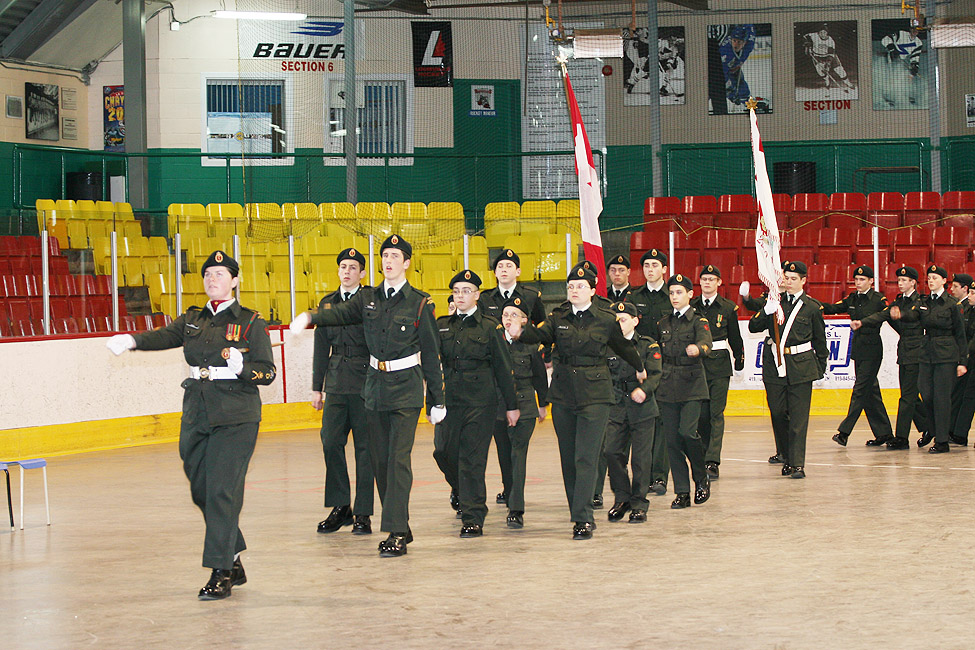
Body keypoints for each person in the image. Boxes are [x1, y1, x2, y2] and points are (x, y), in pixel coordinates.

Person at [107, 250, 276, 600]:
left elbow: (268, 372)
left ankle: (221, 571)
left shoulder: (250, 321)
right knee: (201, 489)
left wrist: (243, 368)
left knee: (221, 491)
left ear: (234, 280)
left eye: (220, 274)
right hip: (197, 411)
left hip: (236, 415)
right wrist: (133, 341)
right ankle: (232, 550)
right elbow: (165, 336)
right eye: (208, 274)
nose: (213, 279)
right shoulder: (193, 319)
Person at [289, 234, 445, 557]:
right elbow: (339, 314)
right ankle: (399, 520)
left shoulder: (418, 302)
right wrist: (311, 318)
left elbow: (431, 355)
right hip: (374, 388)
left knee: (398, 460)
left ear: (407, 263)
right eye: (385, 255)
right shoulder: (369, 298)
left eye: (395, 256)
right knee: (380, 461)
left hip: (406, 390)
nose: (388, 261)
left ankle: (397, 532)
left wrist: (437, 399)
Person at [508, 265, 647, 540]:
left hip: (595, 395)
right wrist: (520, 332)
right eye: (570, 286)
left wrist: (640, 367)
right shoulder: (557, 316)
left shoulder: (606, 319)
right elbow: (541, 335)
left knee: (586, 457)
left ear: (593, 290)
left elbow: (624, 346)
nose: (574, 290)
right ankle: (578, 510)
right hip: (563, 394)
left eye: (580, 286)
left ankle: (582, 519)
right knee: (569, 458)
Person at [432, 270, 519, 538]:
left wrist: (511, 405)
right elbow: (432, 367)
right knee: (443, 451)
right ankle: (460, 489)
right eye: (456, 291)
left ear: (477, 295)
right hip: (450, 402)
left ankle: (473, 515)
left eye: (466, 291)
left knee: (472, 459)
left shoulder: (489, 327)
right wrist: (432, 403)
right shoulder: (443, 325)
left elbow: (504, 368)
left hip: (480, 402)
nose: (461, 296)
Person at [311, 248, 375, 536]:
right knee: (330, 442)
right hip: (336, 382)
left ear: (362, 273)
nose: (347, 271)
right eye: (343, 267)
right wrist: (317, 387)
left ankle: (362, 512)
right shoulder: (327, 305)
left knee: (366, 449)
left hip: (365, 383)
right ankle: (340, 506)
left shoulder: (372, 301)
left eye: (353, 267)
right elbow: (321, 348)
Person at [748, 261, 828, 479]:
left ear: (803, 281)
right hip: (774, 365)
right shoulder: (774, 302)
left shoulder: (812, 307)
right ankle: (784, 452)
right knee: (777, 412)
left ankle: (796, 463)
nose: (789, 282)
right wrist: (766, 310)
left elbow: (820, 341)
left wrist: (820, 368)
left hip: (801, 366)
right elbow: (753, 327)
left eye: (794, 278)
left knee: (798, 418)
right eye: (786, 277)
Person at [478, 248, 545, 507]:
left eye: (509, 265)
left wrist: (542, 402)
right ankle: (510, 489)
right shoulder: (485, 299)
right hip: (495, 394)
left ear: (518, 271)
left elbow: (541, 330)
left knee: (517, 451)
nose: (504, 269)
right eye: (499, 266)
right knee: (504, 451)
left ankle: (515, 502)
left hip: (524, 389)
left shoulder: (530, 296)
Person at [895, 265, 968, 453]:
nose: (931, 280)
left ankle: (942, 441)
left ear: (944, 281)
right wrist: (901, 314)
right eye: (929, 277)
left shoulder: (952, 304)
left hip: (946, 354)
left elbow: (960, 334)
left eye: (935, 277)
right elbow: (914, 316)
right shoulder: (924, 301)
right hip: (926, 353)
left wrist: (962, 362)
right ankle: (933, 430)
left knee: (942, 398)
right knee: (926, 394)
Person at [656, 274, 713, 508]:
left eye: (679, 292)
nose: (674, 297)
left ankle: (700, 477)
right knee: (672, 441)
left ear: (690, 294)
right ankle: (682, 492)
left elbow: (706, 343)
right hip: (667, 385)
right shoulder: (663, 323)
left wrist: (698, 349)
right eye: (671, 293)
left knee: (688, 433)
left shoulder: (698, 321)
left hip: (691, 385)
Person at [855, 266, 929, 449]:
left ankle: (902, 438)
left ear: (913, 282)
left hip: (917, 351)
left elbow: (914, 315)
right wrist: (863, 322)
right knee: (910, 395)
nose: (900, 283)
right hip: (904, 351)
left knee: (906, 397)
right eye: (899, 281)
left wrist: (901, 314)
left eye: (904, 280)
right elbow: (883, 315)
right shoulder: (899, 301)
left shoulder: (920, 301)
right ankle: (930, 427)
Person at [822, 265, 893, 447]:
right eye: (856, 280)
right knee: (870, 392)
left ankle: (844, 432)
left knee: (860, 389)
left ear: (871, 281)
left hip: (872, 349)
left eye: (862, 280)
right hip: (859, 349)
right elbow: (833, 307)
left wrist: (863, 322)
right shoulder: (852, 298)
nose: (858, 283)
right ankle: (884, 433)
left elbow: (884, 314)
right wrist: (813, 304)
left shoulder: (878, 299)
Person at [605, 302, 662, 522]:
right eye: (616, 320)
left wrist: (644, 390)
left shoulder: (648, 346)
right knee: (611, 452)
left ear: (635, 321)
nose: (619, 323)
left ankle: (639, 503)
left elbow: (655, 374)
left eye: (623, 319)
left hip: (642, 408)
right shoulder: (607, 346)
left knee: (640, 459)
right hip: (617, 406)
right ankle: (622, 498)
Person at [498, 296, 550, 529]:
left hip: (526, 403)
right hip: (498, 406)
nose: (509, 319)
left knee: (518, 454)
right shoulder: (494, 341)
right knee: (504, 456)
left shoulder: (531, 345)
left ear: (525, 320)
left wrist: (542, 404)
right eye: (505, 315)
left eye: (514, 315)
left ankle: (516, 508)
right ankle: (510, 495)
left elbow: (540, 375)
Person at [690, 265, 744, 479]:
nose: (707, 283)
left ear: (719, 283)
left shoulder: (728, 307)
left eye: (712, 279)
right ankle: (702, 456)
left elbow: (735, 338)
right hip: (697, 366)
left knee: (715, 414)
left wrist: (739, 359)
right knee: (701, 415)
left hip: (720, 366)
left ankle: (712, 461)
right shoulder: (692, 307)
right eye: (704, 279)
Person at [626, 248, 671, 495]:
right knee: (641, 423)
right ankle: (640, 476)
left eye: (655, 265)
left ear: (664, 269)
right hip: (639, 367)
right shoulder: (634, 297)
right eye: (646, 265)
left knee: (662, 423)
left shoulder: (671, 296)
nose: (650, 269)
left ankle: (659, 477)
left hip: (665, 367)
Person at [947, 274, 975, 445]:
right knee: (967, 396)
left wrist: (965, 353)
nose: (970, 296)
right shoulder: (970, 310)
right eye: (970, 292)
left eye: (973, 293)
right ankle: (959, 433)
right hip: (969, 358)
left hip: (969, 356)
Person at [803, 23, 854, 96]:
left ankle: (847, 83)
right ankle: (827, 81)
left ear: (827, 33)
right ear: (818, 33)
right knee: (821, 72)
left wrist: (828, 63)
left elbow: (831, 54)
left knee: (839, 70)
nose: (822, 34)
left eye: (824, 32)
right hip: (817, 56)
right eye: (821, 32)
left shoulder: (831, 41)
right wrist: (807, 43)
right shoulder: (814, 35)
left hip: (829, 56)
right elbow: (805, 36)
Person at [719, 24, 757, 107]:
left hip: (733, 67)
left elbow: (750, 27)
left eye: (739, 42)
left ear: (745, 42)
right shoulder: (725, 52)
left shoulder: (749, 44)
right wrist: (731, 94)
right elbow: (722, 76)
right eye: (734, 41)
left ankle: (749, 104)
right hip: (717, 70)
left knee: (741, 84)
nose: (736, 44)